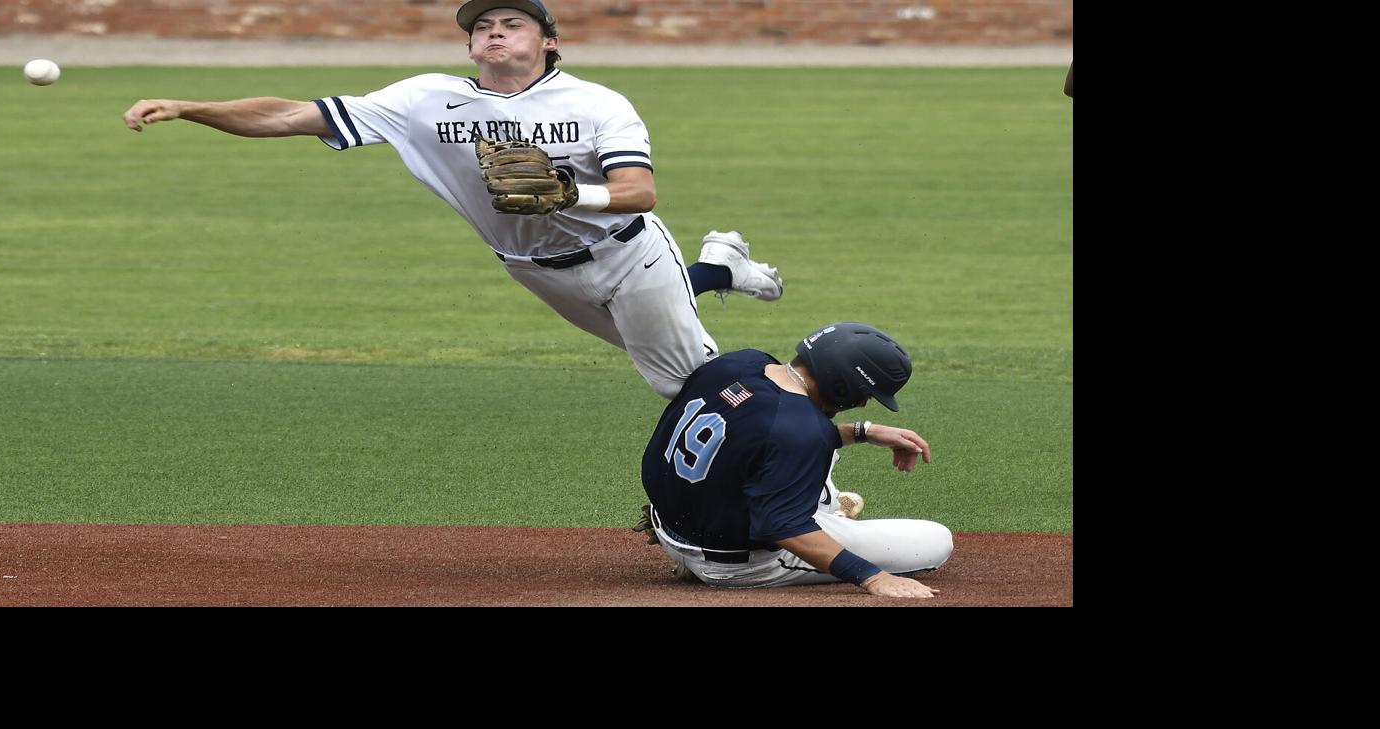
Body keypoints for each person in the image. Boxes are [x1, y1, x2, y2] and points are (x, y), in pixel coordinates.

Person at [121, 0, 783, 399]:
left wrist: (566, 190)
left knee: (684, 379)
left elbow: (641, 192)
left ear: (548, 42)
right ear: (469, 44)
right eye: (483, 26)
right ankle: (720, 267)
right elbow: (291, 115)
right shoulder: (421, 100)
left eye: (512, 24)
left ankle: (804, 491)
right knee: (649, 347)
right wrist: (188, 106)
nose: (494, 32)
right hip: (530, 268)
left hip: (626, 254)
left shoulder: (596, 102)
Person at [636, 322, 953, 599]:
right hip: (731, 562)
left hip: (672, 519)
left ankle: (827, 510)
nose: (863, 402)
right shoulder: (802, 430)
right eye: (865, 394)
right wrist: (872, 576)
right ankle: (832, 518)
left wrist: (862, 431)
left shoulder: (740, 363)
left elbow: (757, 435)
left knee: (807, 452)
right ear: (842, 385)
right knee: (937, 542)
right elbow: (781, 526)